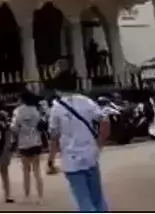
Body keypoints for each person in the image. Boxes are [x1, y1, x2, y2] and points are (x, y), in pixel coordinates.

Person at [48, 74, 110, 212]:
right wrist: (99, 144)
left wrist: (51, 160)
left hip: (71, 159)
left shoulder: (56, 108)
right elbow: (105, 121)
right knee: (97, 197)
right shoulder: (87, 101)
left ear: (57, 89)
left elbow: (54, 136)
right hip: (90, 154)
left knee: (82, 199)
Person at [11, 89, 46, 203]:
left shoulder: (18, 111)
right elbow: (41, 125)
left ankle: (27, 196)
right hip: (36, 142)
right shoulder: (35, 110)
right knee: (37, 171)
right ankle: (40, 196)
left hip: (24, 143)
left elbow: (14, 128)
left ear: (21, 99)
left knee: (26, 171)